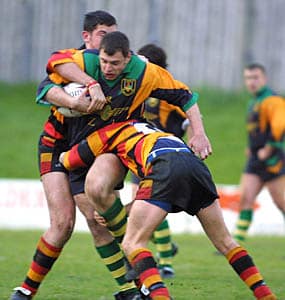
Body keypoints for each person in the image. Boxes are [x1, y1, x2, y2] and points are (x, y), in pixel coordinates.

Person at [54, 31, 275, 300]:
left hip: (162, 167)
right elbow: (162, 198)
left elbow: (69, 159)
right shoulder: (154, 128)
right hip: (192, 163)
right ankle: (266, 295)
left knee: (133, 243)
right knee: (226, 242)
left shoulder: (110, 132)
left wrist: (73, 115)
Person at [11, 11, 141, 300]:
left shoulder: (120, 67)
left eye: (112, 34)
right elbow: (44, 88)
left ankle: (130, 289)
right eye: (102, 34)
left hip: (93, 150)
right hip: (56, 145)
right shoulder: (73, 62)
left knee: (97, 219)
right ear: (87, 37)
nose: (107, 41)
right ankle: (26, 290)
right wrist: (73, 101)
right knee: (62, 224)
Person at [131, 43, 192, 278]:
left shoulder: (166, 90)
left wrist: (189, 132)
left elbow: (189, 114)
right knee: (141, 206)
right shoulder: (138, 88)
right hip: (139, 155)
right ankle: (166, 247)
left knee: (152, 205)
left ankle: (165, 261)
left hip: (163, 157)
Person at [233, 63, 285, 242]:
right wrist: (251, 147)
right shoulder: (254, 101)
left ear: (264, 79)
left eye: (255, 78)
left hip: (273, 158)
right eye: (248, 78)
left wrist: (269, 148)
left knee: (282, 202)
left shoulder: (273, 100)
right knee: (245, 198)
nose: (252, 82)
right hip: (255, 158)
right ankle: (236, 244)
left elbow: (280, 125)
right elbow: (257, 129)